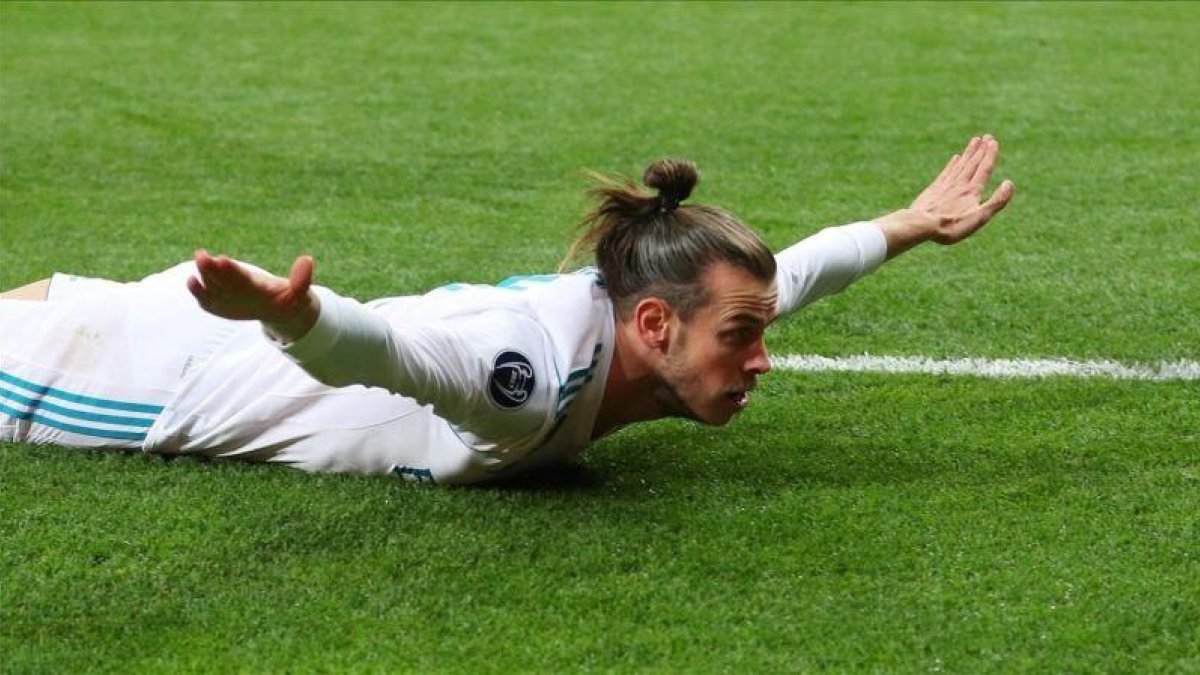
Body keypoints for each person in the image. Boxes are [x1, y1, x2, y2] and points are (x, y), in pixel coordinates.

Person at [0, 135, 1014, 485]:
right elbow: (383, 353)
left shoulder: (672, 296)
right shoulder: (522, 381)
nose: (762, 355)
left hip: (168, 327)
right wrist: (293, 318)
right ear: (655, 328)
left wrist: (911, 223)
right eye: (743, 338)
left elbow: (801, 270)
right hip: (133, 383)